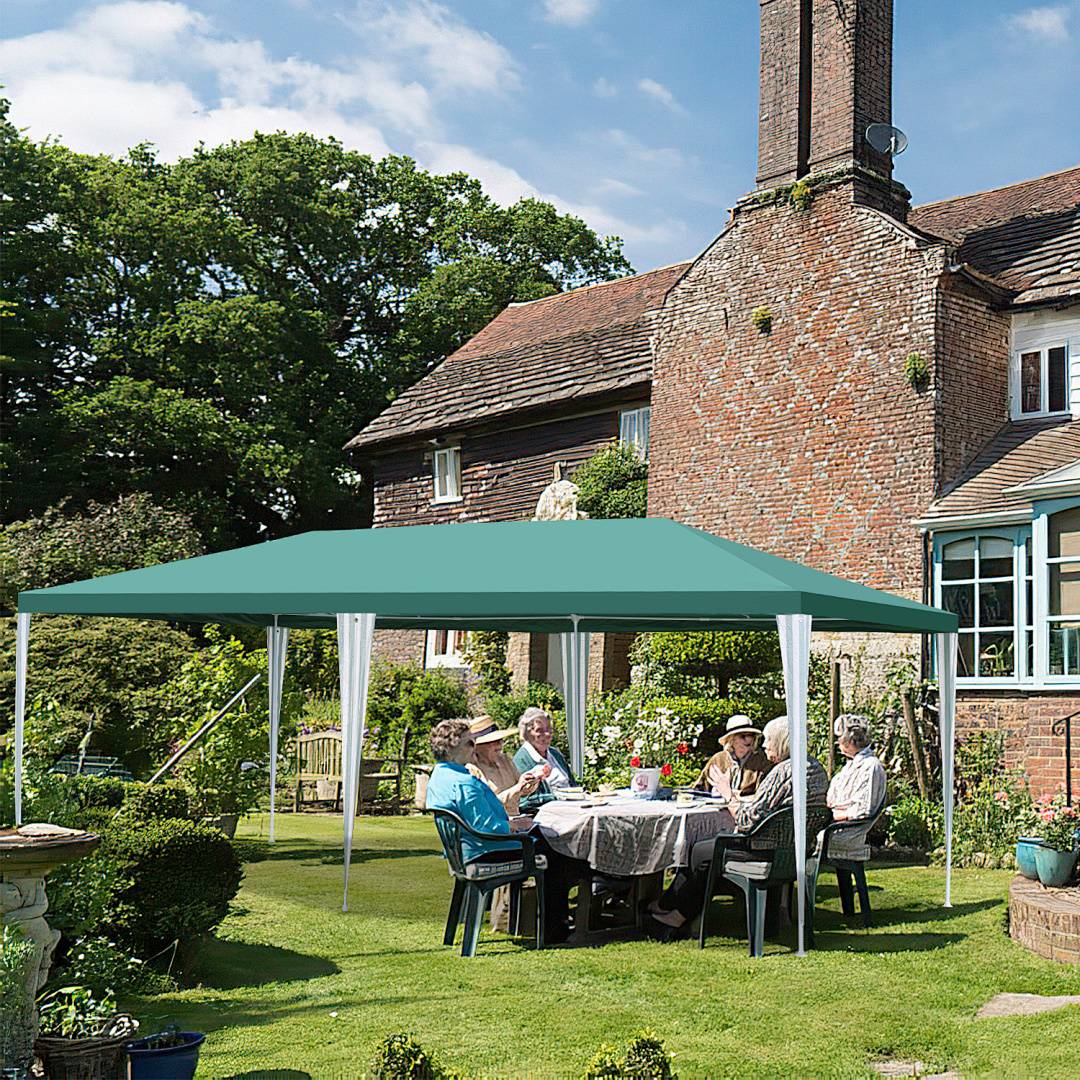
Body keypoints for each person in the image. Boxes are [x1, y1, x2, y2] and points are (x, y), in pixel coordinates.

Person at [647, 715, 829, 937]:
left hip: (765, 849)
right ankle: (674, 909)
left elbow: (746, 820)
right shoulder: (816, 768)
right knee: (707, 851)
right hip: (794, 850)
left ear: (782, 741)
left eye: (768, 740)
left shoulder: (782, 771)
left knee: (700, 851)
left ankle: (679, 915)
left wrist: (727, 793)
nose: (762, 745)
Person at [426, 718, 587, 943]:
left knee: (552, 844)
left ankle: (562, 918)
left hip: (469, 849)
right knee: (558, 851)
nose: (473, 748)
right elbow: (485, 826)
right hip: (485, 849)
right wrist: (514, 826)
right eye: (470, 744)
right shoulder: (463, 782)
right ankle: (556, 928)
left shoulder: (441, 775)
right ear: (452, 749)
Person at [823, 713, 887, 861]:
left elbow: (864, 809)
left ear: (849, 741)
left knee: (796, 840)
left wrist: (834, 815)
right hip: (836, 824)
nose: (837, 743)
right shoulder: (851, 765)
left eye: (839, 739)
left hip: (847, 831)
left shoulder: (871, 766)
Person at [465, 716, 544, 815]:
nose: (500, 743)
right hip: (492, 825)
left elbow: (522, 791)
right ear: (477, 746)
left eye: (500, 739)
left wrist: (531, 782)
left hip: (516, 819)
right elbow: (486, 805)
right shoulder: (471, 769)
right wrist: (517, 788)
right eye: (493, 741)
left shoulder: (505, 759)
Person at [693, 714, 773, 799]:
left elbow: (766, 795)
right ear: (731, 739)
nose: (748, 739)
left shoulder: (762, 761)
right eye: (742, 736)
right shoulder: (718, 759)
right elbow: (699, 790)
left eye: (751, 735)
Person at [512, 707, 577, 810]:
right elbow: (525, 801)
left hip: (573, 806)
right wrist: (558, 797)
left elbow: (573, 784)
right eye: (539, 730)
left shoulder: (555, 754)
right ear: (527, 733)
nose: (547, 734)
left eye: (549, 729)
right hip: (548, 813)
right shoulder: (521, 760)